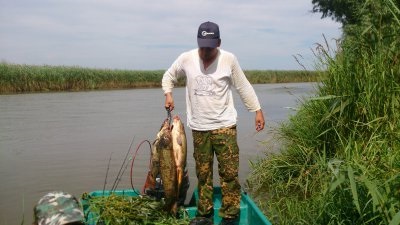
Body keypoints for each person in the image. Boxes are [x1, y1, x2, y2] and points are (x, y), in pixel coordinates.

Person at [162, 21, 265, 225]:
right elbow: (169, 76)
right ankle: (205, 214)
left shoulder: (229, 59)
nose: (205, 50)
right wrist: (168, 94)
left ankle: (230, 215)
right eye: (202, 45)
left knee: (229, 173)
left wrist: (257, 110)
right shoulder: (186, 58)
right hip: (199, 128)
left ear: (218, 42)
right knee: (203, 173)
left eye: (210, 46)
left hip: (225, 126)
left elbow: (243, 86)